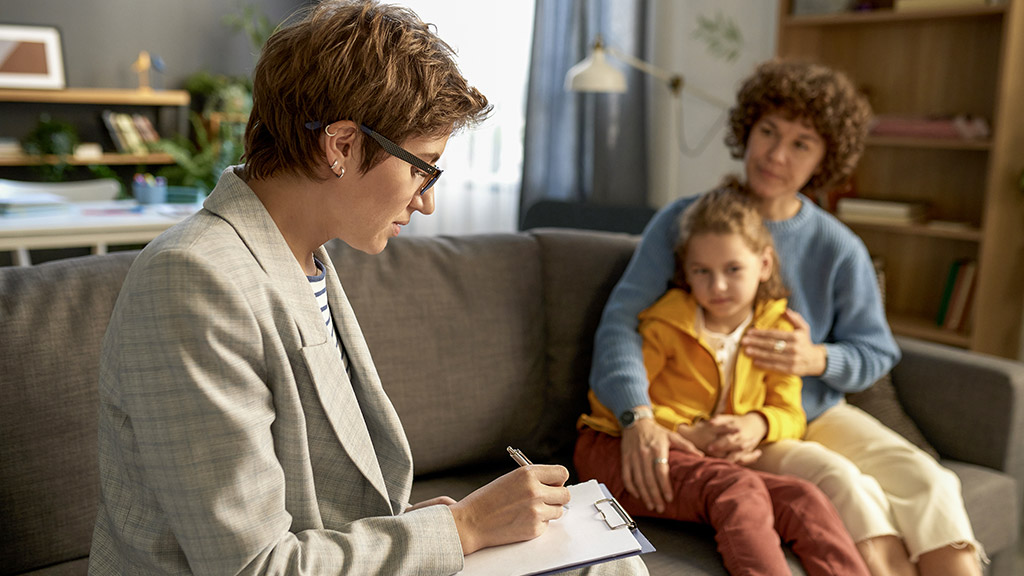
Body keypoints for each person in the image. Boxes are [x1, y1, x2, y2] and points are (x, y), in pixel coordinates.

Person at [88, 2, 646, 575]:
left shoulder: (306, 260)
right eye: (422, 167)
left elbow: (315, 503)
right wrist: (464, 528)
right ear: (342, 145)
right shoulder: (192, 282)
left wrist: (425, 528)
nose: (427, 200)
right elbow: (254, 566)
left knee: (603, 559)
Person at [586, 59, 983, 576]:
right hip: (734, 415)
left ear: (824, 159)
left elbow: (877, 352)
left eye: (801, 143)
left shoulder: (839, 246)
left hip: (811, 409)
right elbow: (622, 324)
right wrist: (638, 415)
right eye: (768, 132)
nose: (776, 154)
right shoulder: (685, 223)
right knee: (844, 482)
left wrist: (819, 357)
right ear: (746, 130)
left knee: (931, 481)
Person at [576, 187, 870, 575]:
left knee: (805, 498)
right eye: (702, 272)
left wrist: (758, 423)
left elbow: (790, 412)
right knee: (739, 489)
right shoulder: (667, 322)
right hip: (618, 449)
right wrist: (686, 431)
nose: (717, 286)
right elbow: (608, 399)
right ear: (687, 271)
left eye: (733, 269)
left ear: (764, 264)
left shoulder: (776, 330)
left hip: (699, 459)